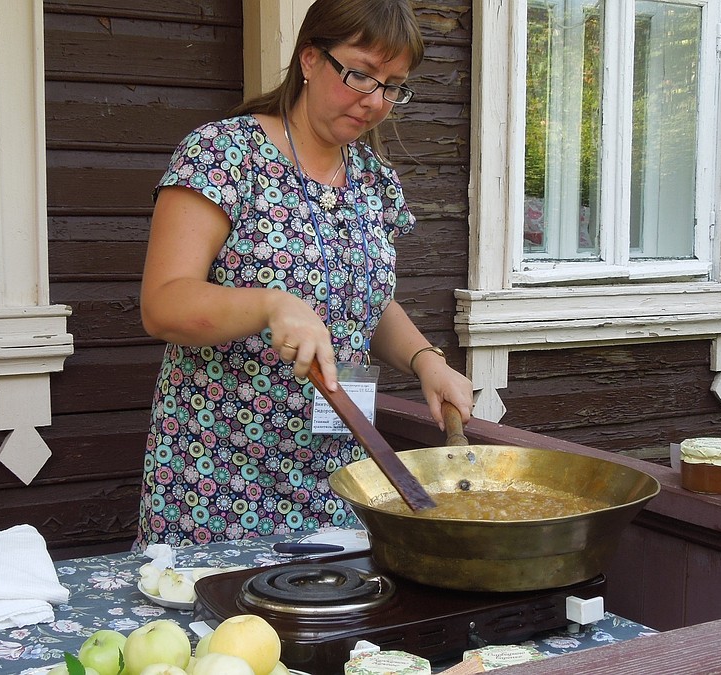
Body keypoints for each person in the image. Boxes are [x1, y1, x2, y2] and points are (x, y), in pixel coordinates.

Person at [133, 0, 474, 549]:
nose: (374, 100)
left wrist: (425, 360)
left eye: (392, 86)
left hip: (338, 474)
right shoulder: (223, 155)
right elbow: (164, 304)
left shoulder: (374, 180)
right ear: (310, 59)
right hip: (220, 478)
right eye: (360, 73)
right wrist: (272, 304)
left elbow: (367, 302)